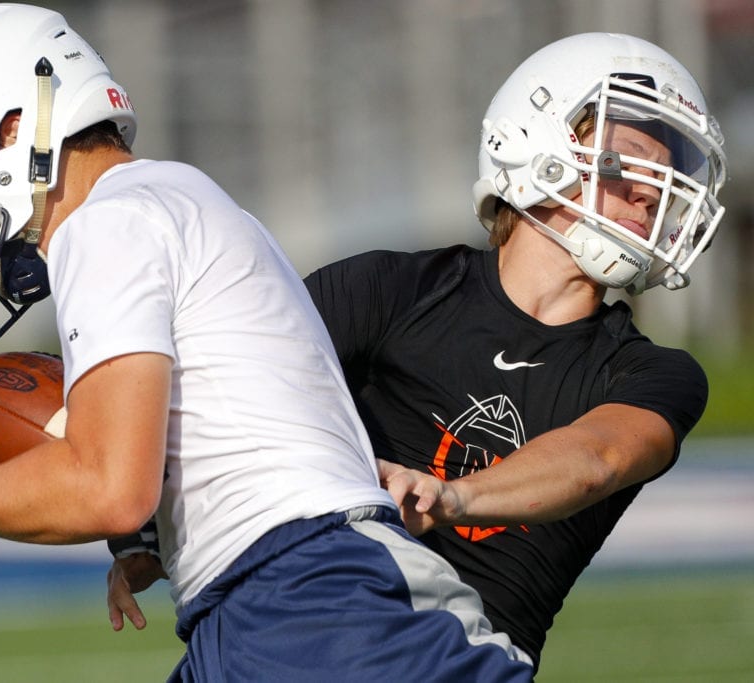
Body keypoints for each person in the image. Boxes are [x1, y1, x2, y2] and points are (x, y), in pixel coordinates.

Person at [0, 4, 535, 680]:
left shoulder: (107, 223)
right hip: (263, 600)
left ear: (8, 125)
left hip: (314, 601)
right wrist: (164, 534)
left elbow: (108, 488)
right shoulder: (167, 198)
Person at [107, 32, 728, 675]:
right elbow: (224, 384)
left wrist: (451, 496)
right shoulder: (391, 290)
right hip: (291, 619)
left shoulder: (655, 373)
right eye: (626, 164)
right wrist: (141, 530)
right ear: (536, 144)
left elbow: (597, 457)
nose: (654, 195)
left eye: (670, 179)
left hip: (445, 653)